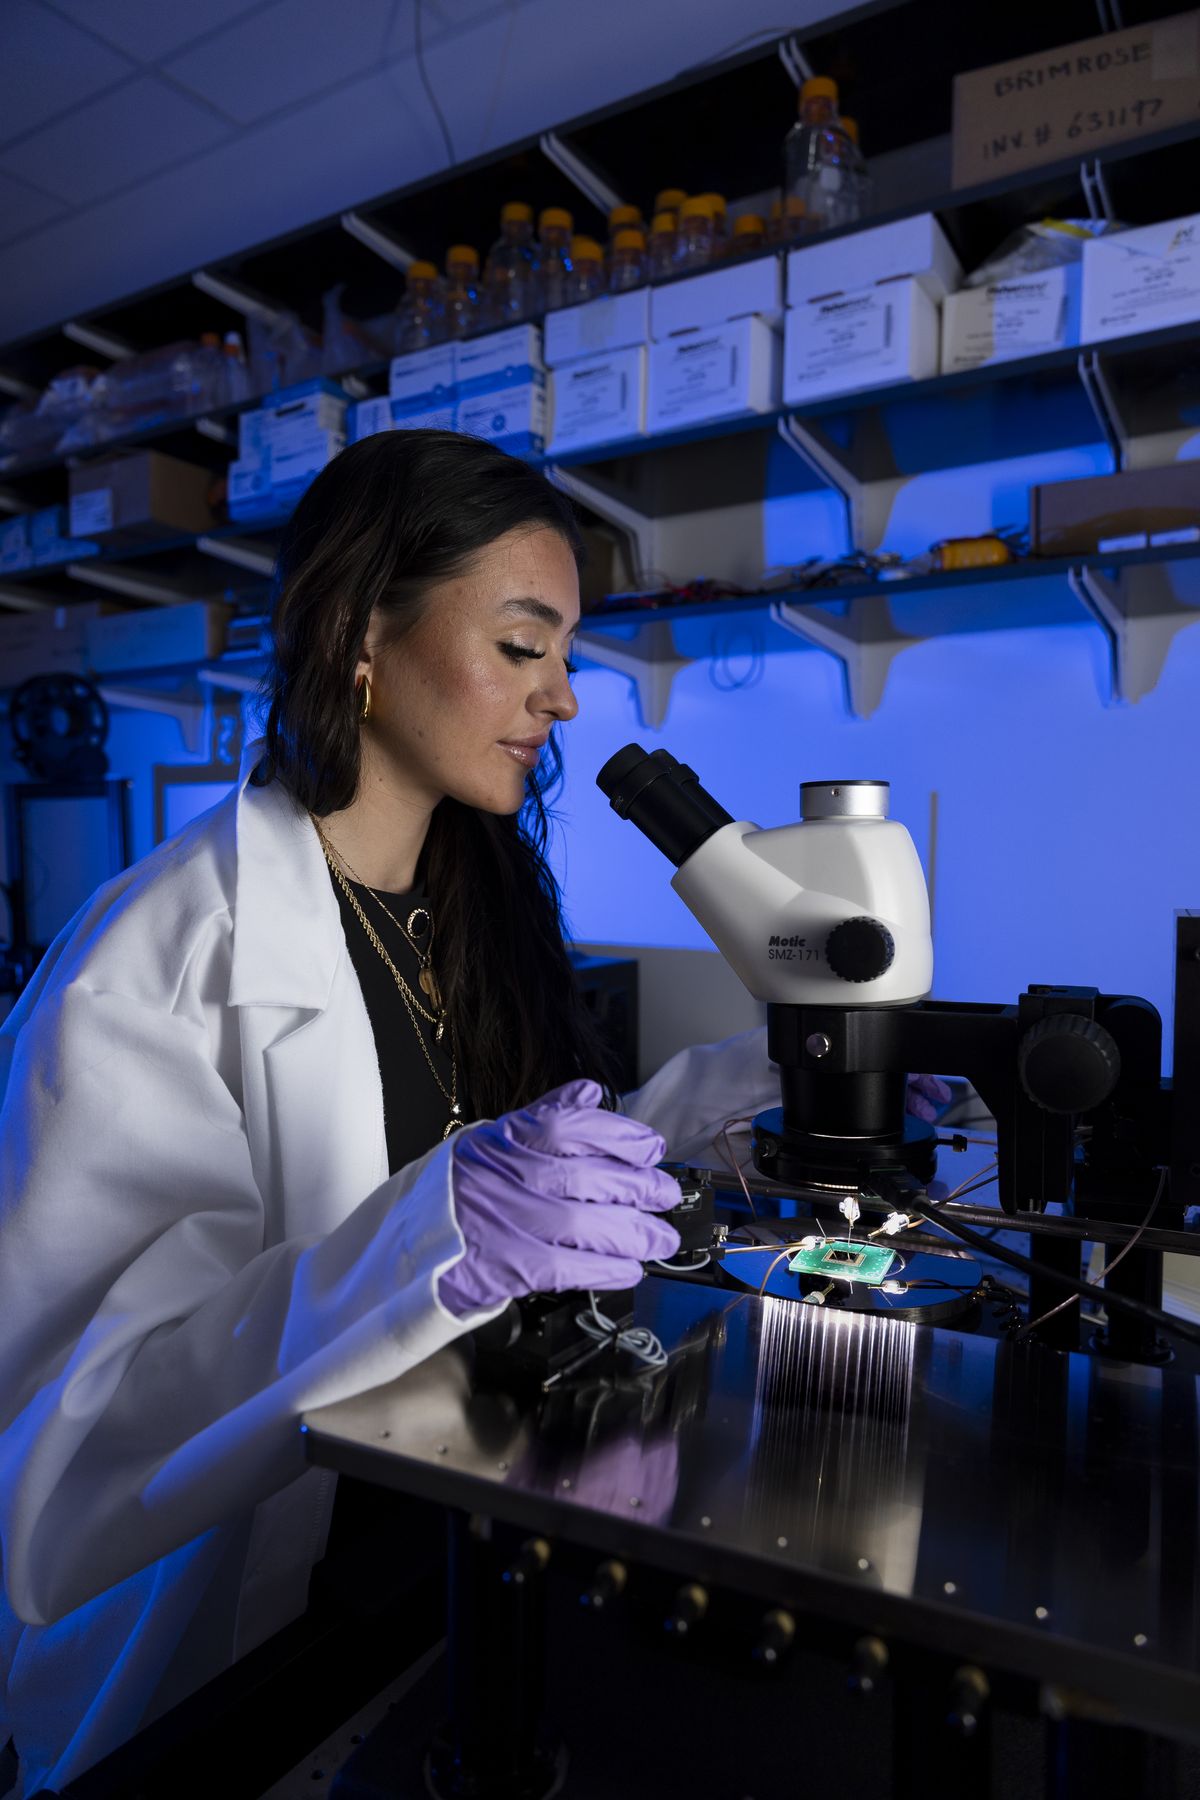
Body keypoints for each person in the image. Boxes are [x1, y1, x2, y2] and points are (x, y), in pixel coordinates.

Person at [0, 430, 947, 1795]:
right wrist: (433, 1235)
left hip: (447, 1551)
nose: (563, 697)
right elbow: (64, 1449)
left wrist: (763, 1080)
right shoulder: (155, 959)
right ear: (359, 633)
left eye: (566, 654)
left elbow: (517, 1160)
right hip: (234, 1661)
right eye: (523, 647)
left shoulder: (472, 905)